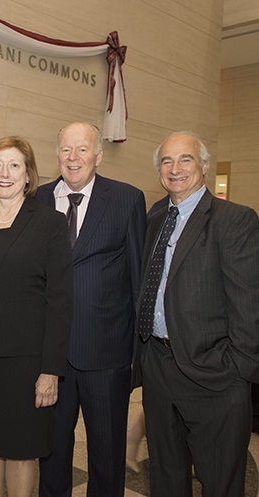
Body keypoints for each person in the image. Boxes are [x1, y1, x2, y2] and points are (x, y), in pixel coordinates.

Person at [134, 132, 259, 497]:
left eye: (185, 159)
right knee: (166, 477)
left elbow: (248, 304)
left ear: (203, 166)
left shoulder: (233, 219)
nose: (175, 169)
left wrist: (238, 369)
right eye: (167, 162)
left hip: (214, 376)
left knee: (220, 482)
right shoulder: (154, 221)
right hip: (159, 367)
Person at [0, 137, 73, 497]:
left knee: (22, 450)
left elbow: (60, 301)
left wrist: (50, 370)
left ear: (28, 176)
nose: (4, 173)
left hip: (27, 362)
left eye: (14, 165)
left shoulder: (50, 223)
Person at [36, 122, 146, 497]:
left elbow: (137, 278)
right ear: (57, 155)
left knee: (107, 453)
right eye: (66, 150)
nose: (73, 158)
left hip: (107, 355)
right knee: (50, 451)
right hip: (51, 357)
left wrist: (135, 354)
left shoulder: (126, 199)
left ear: (98, 155)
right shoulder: (38, 199)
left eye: (82, 150)